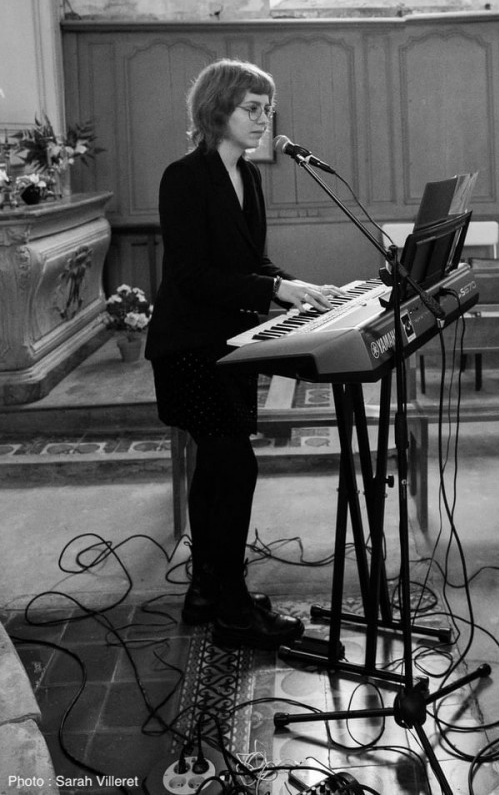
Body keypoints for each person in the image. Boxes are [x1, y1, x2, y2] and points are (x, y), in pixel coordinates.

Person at [145, 58, 342, 650]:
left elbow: (251, 262)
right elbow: (193, 275)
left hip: (230, 346)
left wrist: (296, 286)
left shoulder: (248, 176)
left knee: (216, 468)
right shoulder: (184, 177)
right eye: (251, 108)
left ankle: (206, 592)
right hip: (189, 347)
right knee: (234, 466)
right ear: (217, 110)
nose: (263, 119)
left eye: (267, 108)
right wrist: (273, 289)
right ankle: (232, 609)